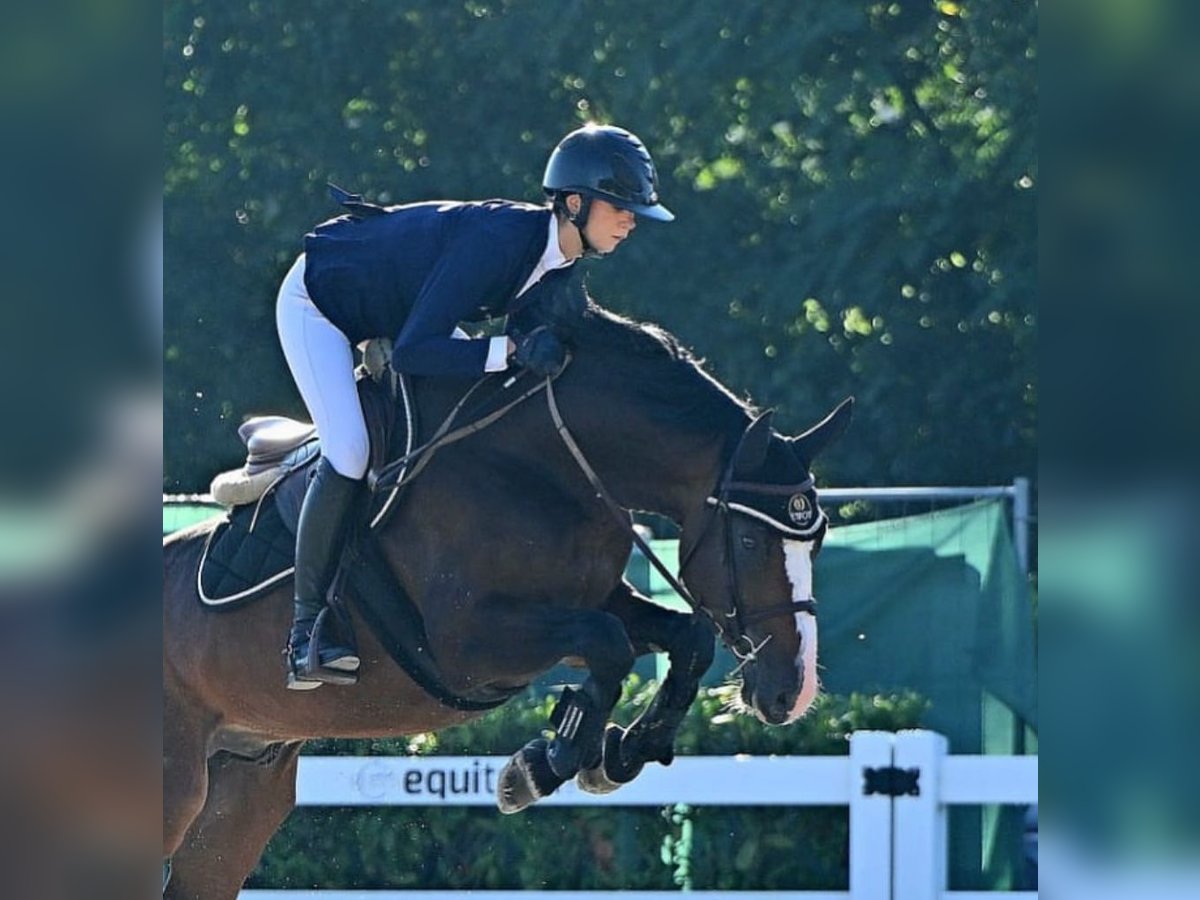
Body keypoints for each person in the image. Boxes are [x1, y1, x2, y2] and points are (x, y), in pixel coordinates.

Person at [275, 123, 674, 689]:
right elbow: (416, 353)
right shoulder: (500, 240)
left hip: (391, 309)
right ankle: (306, 628)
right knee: (350, 448)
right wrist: (509, 350)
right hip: (321, 303)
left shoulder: (559, 265)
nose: (632, 220)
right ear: (575, 202)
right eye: (622, 207)